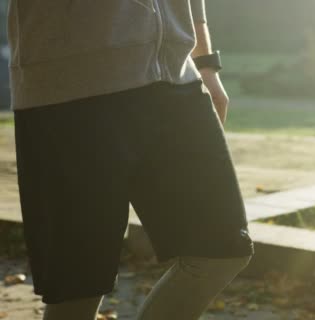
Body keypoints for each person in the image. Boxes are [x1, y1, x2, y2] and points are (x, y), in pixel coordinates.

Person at [6, 0, 255, 319]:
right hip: (69, 88)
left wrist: (204, 62)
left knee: (222, 249)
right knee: (77, 286)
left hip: (176, 76)